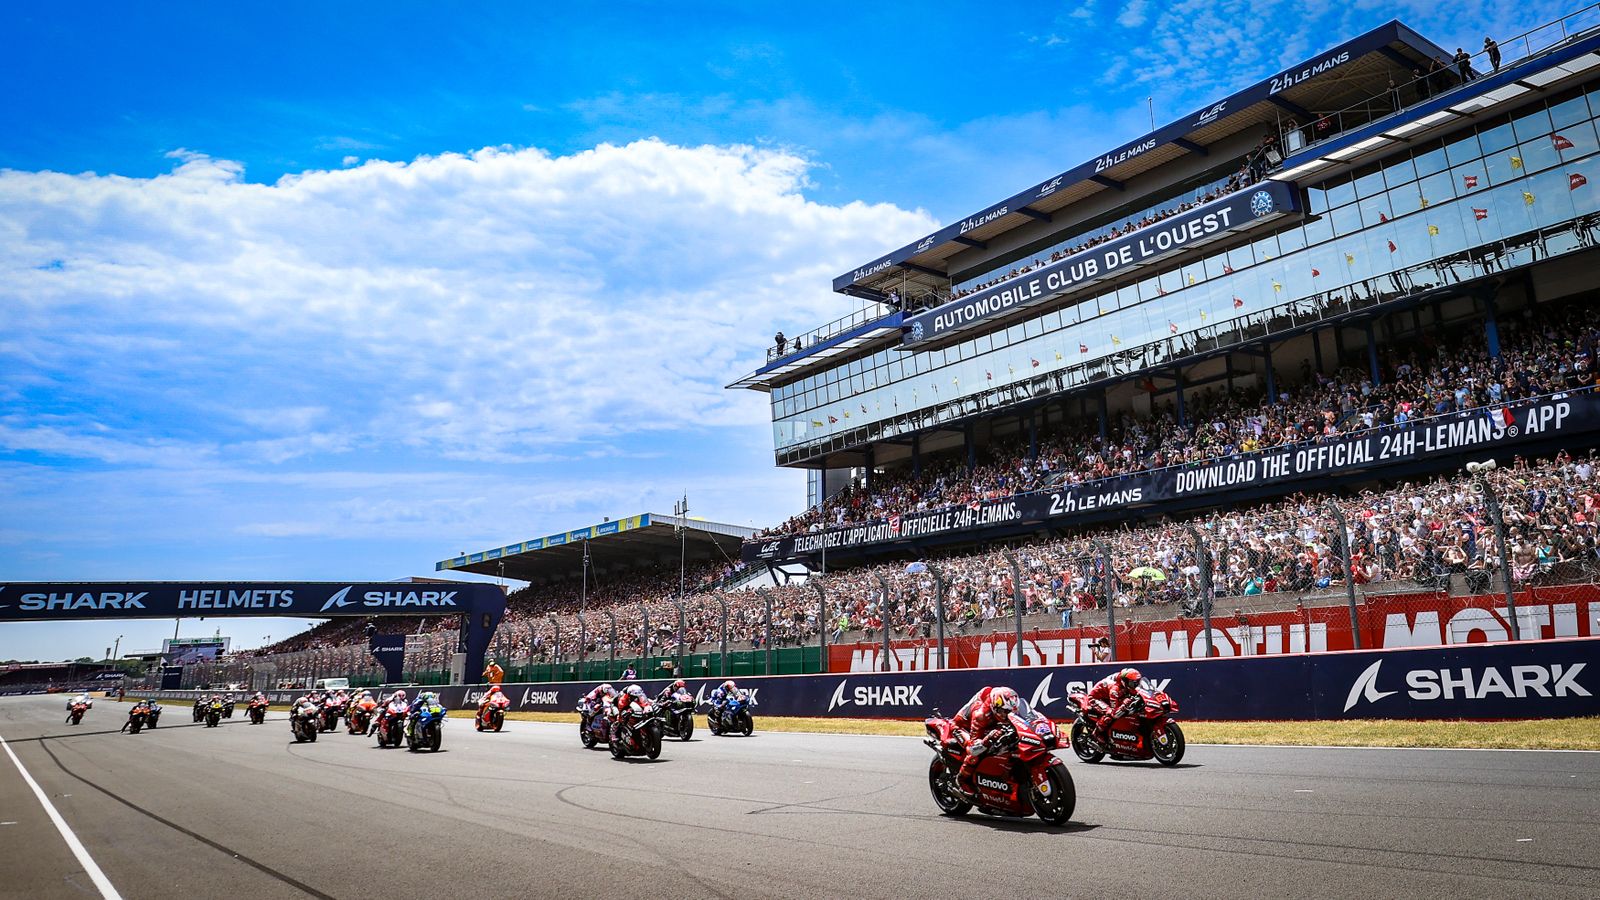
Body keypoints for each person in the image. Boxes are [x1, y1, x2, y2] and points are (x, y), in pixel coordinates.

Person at [951, 686, 1021, 799]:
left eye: (1011, 711)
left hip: (990, 725)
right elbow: (973, 748)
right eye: (1005, 711)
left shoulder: (1005, 705)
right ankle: (962, 780)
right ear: (995, 707)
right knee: (975, 753)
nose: (1007, 715)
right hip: (961, 727)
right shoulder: (981, 715)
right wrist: (987, 739)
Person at [1082, 667, 1144, 746]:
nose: (1136, 685)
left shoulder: (1125, 681)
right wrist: (1124, 705)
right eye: (1133, 683)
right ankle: (1097, 734)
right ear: (1124, 682)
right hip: (1097, 698)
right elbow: (1115, 713)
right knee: (1110, 714)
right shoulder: (1115, 689)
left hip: (1108, 695)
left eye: (1137, 682)